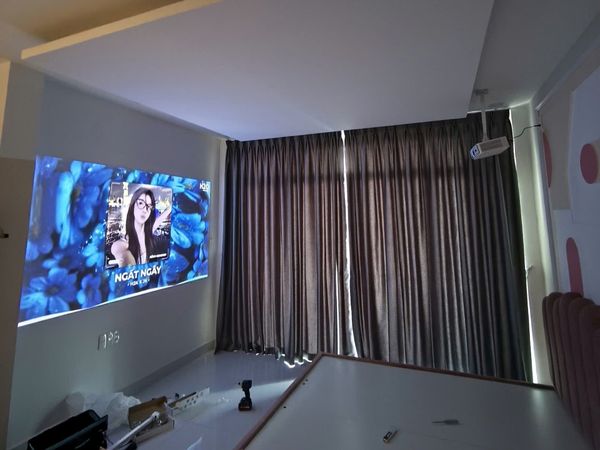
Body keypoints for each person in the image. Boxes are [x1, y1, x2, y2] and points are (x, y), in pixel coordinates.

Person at [111, 187, 171, 267]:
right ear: (132, 205)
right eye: (140, 203)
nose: (145, 210)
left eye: (149, 206)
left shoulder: (147, 233)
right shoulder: (120, 245)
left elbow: (162, 217)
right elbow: (126, 263)